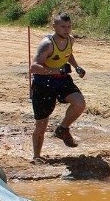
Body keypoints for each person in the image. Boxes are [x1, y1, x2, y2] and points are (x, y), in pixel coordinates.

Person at [29, 11, 86, 161]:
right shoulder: (46, 44)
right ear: (54, 26)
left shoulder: (71, 40)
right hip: (43, 83)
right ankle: (36, 157)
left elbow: (68, 54)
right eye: (63, 26)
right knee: (41, 125)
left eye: (69, 26)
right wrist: (55, 70)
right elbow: (34, 67)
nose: (66, 30)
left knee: (79, 103)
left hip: (62, 80)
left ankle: (63, 129)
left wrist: (76, 66)